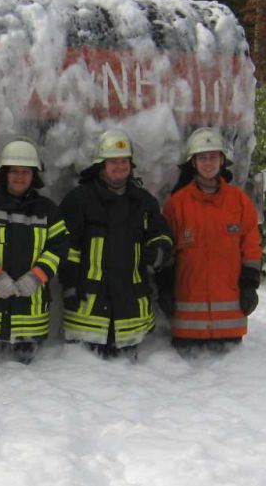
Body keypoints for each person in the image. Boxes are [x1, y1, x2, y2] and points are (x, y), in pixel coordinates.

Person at [59, 129, 172, 359]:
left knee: (128, 386)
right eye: (113, 161)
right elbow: (65, 246)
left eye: (124, 161)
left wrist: (157, 252)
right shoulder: (79, 199)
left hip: (130, 312)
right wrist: (69, 285)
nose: (119, 166)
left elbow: (161, 234)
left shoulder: (143, 202)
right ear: (101, 164)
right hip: (88, 312)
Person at [159, 127, 262, 353]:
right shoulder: (177, 205)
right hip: (187, 326)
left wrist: (249, 285)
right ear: (193, 162)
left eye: (213, 157)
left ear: (222, 161)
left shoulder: (239, 202)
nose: (208, 163)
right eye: (202, 158)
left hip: (231, 325)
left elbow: (252, 248)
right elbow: (167, 252)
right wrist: (165, 287)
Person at [0, 139, 69, 363]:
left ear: (34, 175)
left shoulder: (48, 211)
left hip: (31, 318)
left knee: (26, 385)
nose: (20, 177)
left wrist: (36, 277)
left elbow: (59, 248)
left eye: (26, 172)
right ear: (4, 174)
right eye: (14, 171)